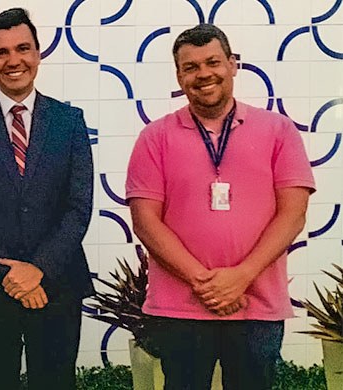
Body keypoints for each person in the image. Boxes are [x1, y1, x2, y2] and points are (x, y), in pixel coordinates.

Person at [126, 24, 315, 389]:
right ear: (179, 76)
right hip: (179, 307)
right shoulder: (155, 137)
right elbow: (146, 221)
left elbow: (293, 214)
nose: (203, 74)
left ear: (232, 64)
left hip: (256, 303)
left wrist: (241, 276)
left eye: (212, 62)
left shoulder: (278, 130)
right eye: (190, 67)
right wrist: (204, 283)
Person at [0, 8, 94, 390]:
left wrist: (38, 268)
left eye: (23, 48)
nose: (14, 60)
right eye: (1, 52)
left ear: (39, 53)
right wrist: (13, 273)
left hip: (57, 284)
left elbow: (78, 208)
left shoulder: (70, 121)